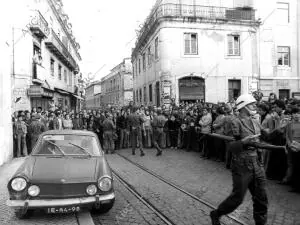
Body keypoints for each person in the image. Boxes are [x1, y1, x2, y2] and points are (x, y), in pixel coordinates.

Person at [210, 94, 279, 225]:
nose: (255, 106)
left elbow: (268, 137)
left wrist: (281, 128)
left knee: (261, 198)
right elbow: (231, 146)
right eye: (252, 104)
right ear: (244, 106)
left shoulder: (255, 121)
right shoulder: (234, 122)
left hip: (257, 164)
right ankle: (216, 213)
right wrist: (243, 141)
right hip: (241, 165)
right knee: (237, 198)